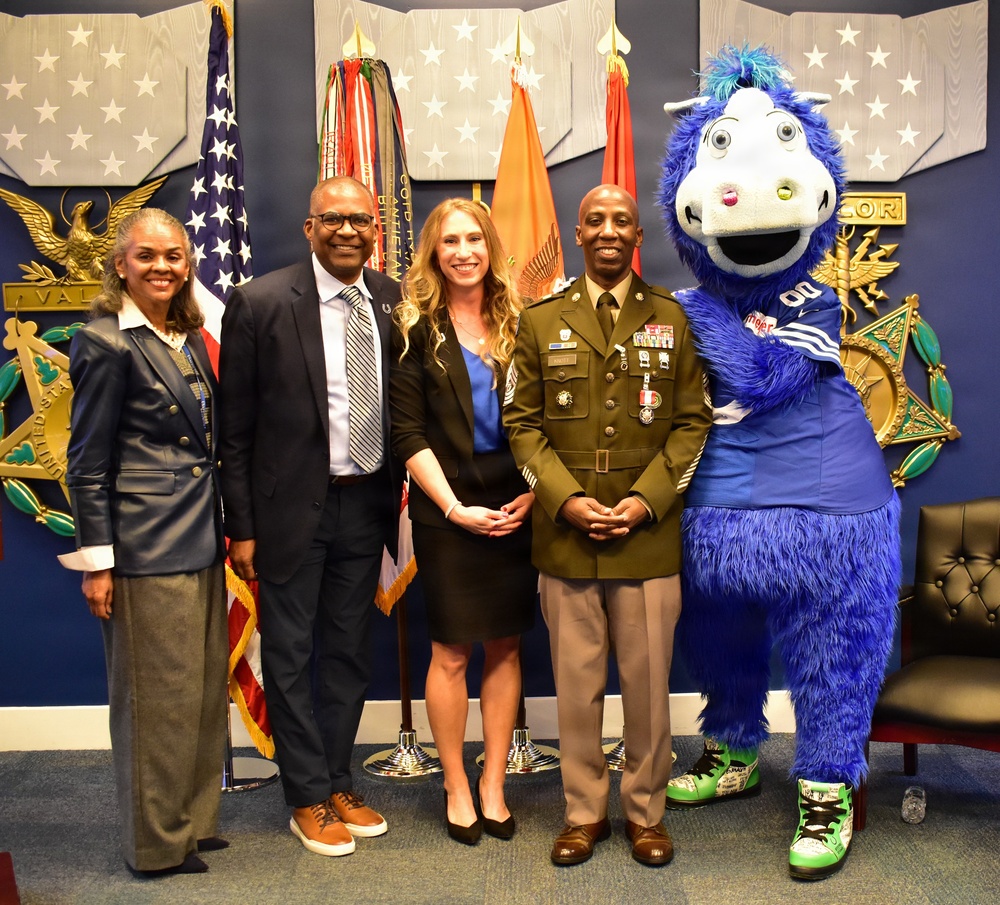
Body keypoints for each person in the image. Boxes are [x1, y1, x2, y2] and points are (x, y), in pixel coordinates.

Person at [503, 184, 712, 867]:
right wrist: (563, 499)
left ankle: (645, 813)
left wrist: (646, 500)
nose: (610, 230)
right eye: (596, 220)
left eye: (622, 220)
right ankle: (584, 812)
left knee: (648, 690)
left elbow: (691, 424)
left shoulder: (671, 321)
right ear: (579, 231)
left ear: (636, 236)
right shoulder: (539, 321)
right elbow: (522, 426)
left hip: (646, 537)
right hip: (566, 536)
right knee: (577, 686)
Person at [219, 176, 402, 857]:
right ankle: (304, 795)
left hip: (367, 503)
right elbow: (233, 430)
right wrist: (242, 526)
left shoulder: (390, 298)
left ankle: (337, 778)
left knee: (350, 654)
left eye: (359, 218)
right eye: (333, 219)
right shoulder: (259, 301)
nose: (347, 229)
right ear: (309, 227)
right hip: (287, 512)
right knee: (291, 655)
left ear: (373, 227)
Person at [59, 208, 228, 875]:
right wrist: (98, 563)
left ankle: (191, 821)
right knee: (154, 702)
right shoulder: (105, 340)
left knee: (198, 691)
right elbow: (86, 461)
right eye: (148, 255)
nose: (162, 267)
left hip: (199, 535)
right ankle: (156, 844)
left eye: (174, 255)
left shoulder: (181, 334)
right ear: (120, 264)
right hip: (142, 548)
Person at [390, 198, 537, 845]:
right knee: (450, 651)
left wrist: (534, 492)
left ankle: (493, 782)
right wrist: (452, 507)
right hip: (447, 511)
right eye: (449, 240)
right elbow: (406, 432)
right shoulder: (412, 329)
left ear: (490, 245)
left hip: (513, 506)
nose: (463, 250)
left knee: (505, 645)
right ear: (433, 252)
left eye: (474, 238)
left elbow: (545, 421)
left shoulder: (519, 322)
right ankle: (454, 782)